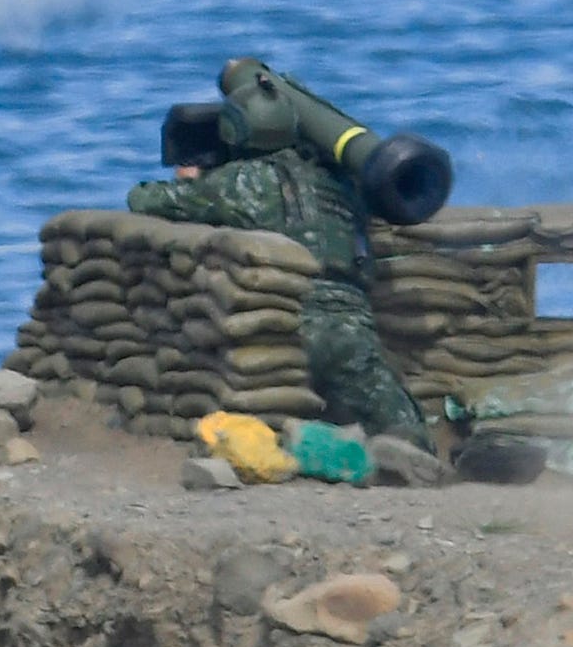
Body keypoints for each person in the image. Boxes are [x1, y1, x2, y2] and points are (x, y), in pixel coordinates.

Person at [126, 69, 441, 466]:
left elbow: (145, 200)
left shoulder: (240, 183)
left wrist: (194, 180)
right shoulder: (338, 180)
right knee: (404, 428)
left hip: (288, 321)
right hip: (352, 322)